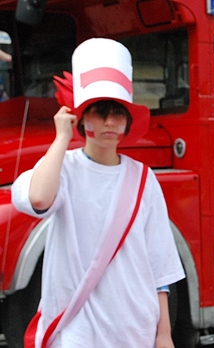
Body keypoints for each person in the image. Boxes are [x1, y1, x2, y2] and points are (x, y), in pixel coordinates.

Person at [11, 38, 185, 348]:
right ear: (82, 119)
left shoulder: (144, 179)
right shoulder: (62, 168)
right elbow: (38, 198)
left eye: (117, 114)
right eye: (99, 112)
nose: (109, 122)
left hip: (134, 328)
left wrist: (163, 334)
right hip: (76, 330)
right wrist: (62, 137)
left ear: (127, 122)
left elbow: (160, 267)